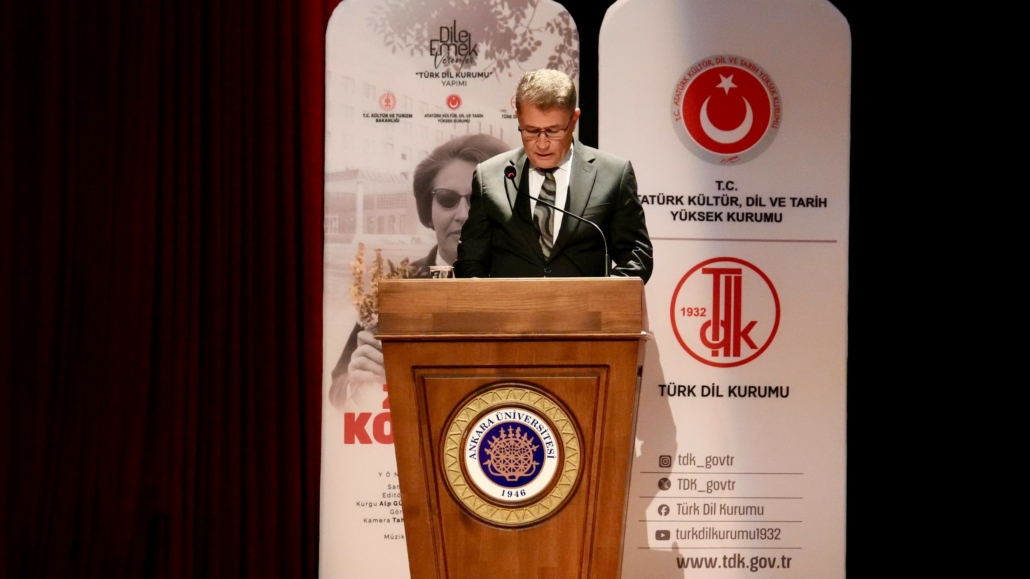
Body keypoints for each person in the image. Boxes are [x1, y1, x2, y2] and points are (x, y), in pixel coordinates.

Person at [329, 134, 509, 410]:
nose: (463, 214)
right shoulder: (395, 287)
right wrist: (360, 384)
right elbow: (339, 388)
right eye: (447, 199)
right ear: (429, 210)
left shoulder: (533, 286)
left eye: (480, 199)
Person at [454, 69, 653, 282]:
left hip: (586, 304)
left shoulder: (613, 175)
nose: (542, 144)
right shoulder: (490, 177)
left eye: (553, 131)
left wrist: (601, 296)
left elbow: (636, 257)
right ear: (518, 118)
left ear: (574, 120)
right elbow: (470, 262)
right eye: (531, 131)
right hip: (509, 304)